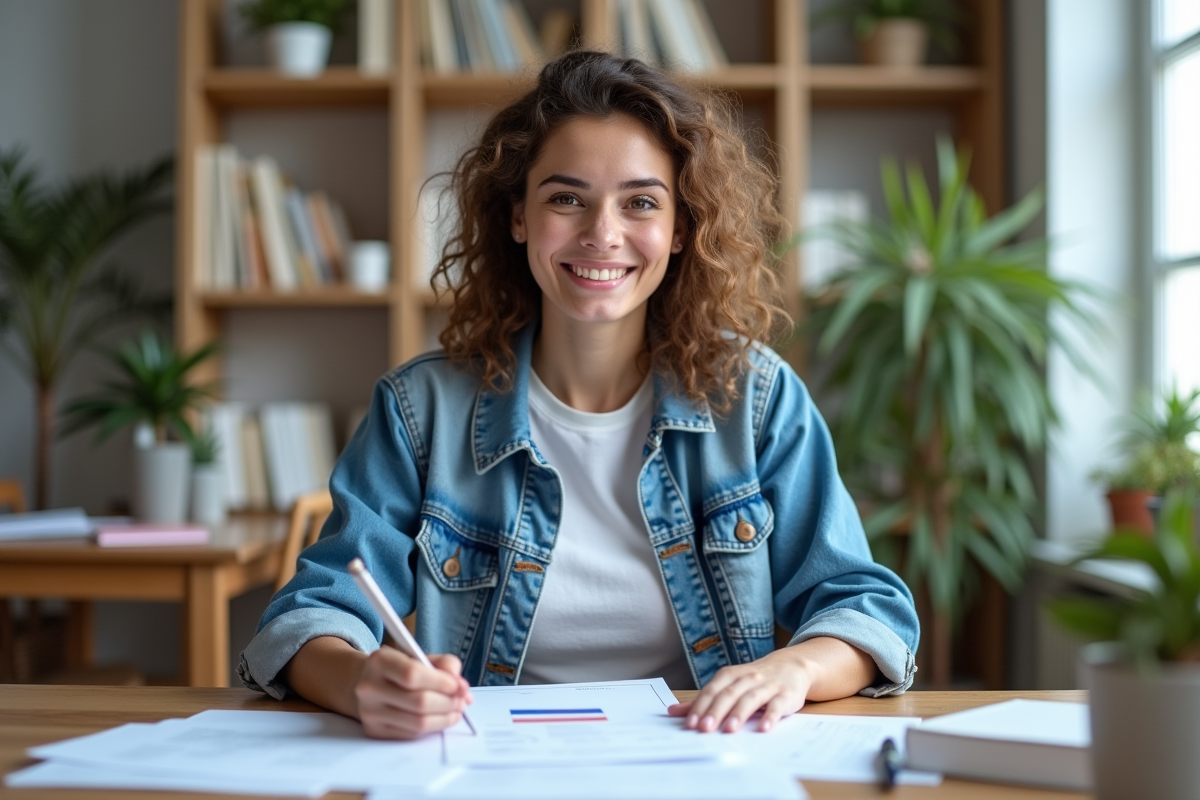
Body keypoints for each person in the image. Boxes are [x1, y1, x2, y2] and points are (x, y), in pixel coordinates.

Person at [238, 50, 919, 741]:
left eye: (641, 202)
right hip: (486, 767)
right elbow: (306, 619)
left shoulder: (756, 398)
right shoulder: (421, 410)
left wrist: (794, 669)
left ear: (682, 228)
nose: (602, 233)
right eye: (567, 198)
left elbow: (866, 611)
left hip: (701, 762)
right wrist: (362, 683)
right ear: (518, 217)